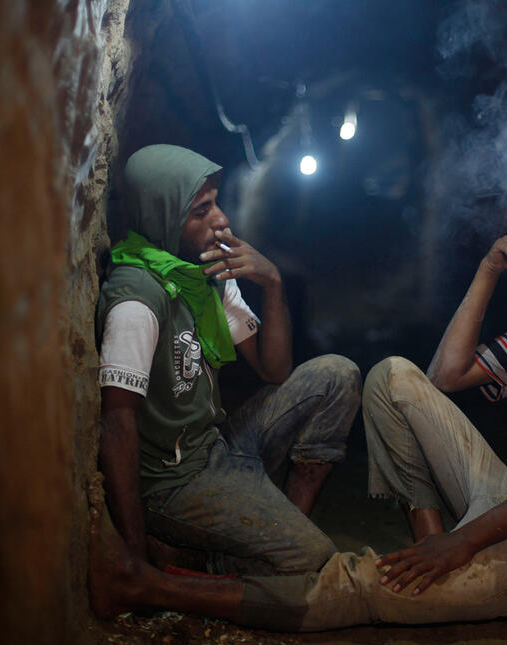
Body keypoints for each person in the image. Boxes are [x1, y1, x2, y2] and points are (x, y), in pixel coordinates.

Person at [90, 177, 507, 630]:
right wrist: (489, 267)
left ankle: (146, 588)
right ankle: (428, 545)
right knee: (392, 377)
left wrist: (465, 543)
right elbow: (442, 377)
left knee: (361, 586)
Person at [95, 144, 360, 582]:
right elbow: (117, 423)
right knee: (312, 559)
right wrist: (133, 549)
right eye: (201, 210)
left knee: (337, 374)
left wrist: (271, 282)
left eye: (215, 203)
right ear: (163, 217)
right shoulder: (138, 301)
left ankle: (282, 527)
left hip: (216, 448)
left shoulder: (204, 274)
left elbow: (275, 372)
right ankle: (194, 557)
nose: (221, 219)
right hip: (173, 484)